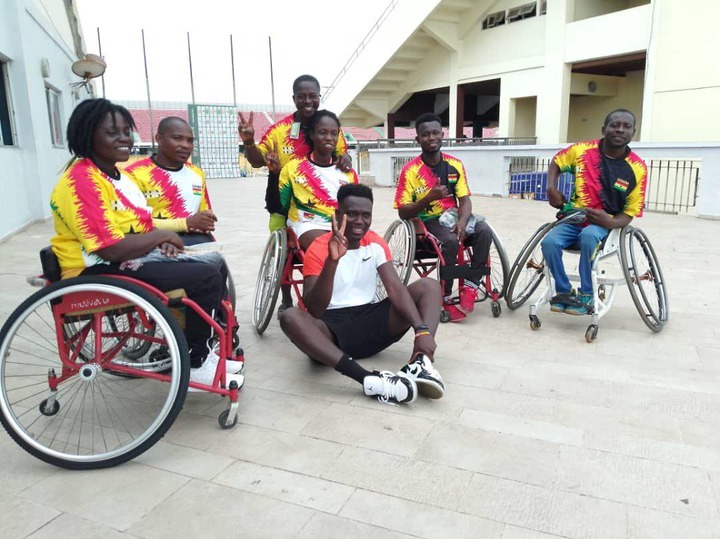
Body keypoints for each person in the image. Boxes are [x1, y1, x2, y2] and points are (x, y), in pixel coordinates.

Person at [49, 98, 243, 390]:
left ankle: (201, 348)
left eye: (127, 131)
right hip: (94, 271)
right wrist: (160, 237)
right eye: (112, 132)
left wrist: (166, 236)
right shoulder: (80, 182)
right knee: (203, 276)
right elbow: (110, 248)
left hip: (119, 261)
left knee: (214, 262)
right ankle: (195, 363)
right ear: (88, 134)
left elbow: (143, 223)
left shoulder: (116, 176)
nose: (124, 138)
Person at [279, 184, 445, 405]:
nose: (359, 221)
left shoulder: (375, 243)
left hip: (370, 323)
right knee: (289, 317)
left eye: (366, 215)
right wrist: (332, 261)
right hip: (330, 336)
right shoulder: (319, 247)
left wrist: (421, 330)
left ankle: (420, 362)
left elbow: (395, 288)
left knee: (429, 286)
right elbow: (315, 309)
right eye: (352, 214)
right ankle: (368, 379)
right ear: (338, 215)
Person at [238, 74, 352, 312]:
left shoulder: (329, 126)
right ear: (294, 99)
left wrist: (347, 158)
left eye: (313, 96)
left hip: (320, 201)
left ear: (319, 97)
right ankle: (287, 298)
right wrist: (249, 143)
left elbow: (342, 155)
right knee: (283, 250)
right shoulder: (280, 130)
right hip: (285, 198)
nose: (308, 101)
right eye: (302, 97)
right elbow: (258, 161)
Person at [541, 109, 647, 315]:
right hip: (574, 218)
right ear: (604, 129)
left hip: (604, 224)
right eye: (615, 125)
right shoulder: (582, 150)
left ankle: (587, 294)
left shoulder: (637, 168)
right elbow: (556, 162)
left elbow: (630, 212)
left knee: (589, 236)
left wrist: (610, 222)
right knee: (549, 242)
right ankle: (564, 291)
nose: (620, 130)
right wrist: (551, 188)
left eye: (626, 127)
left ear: (633, 132)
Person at [393, 113, 493, 322]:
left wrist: (462, 221)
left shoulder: (454, 165)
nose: (431, 138)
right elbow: (403, 211)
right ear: (418, 139)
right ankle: (445, 294)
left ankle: (471, 286)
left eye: (436, 133)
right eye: (426, 134)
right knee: (449, 240)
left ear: (442, 135)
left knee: (484, 231)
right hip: (426, 221)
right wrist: (428, 199)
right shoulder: (410, 171)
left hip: (454, 216)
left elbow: (464, 200)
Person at [125, 116, 217, 246]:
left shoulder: (196, 173)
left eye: (190, 141)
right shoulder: (134, 174)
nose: (185, 145)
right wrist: (185, 224)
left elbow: (205, 212)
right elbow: (131, 221)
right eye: (177, 138)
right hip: (155, 243)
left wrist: (206, 221)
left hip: (195, 240)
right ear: (159, 139)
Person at [278, 110, 358, 252]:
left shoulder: (348, 173)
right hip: (307, 225)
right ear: (312, 135)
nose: (329, 138)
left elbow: (355, 207)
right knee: (329, 249)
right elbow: (283, 206)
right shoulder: (292, 169)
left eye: (334, 133)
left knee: (374, 248)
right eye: (322, 132)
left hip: (341, 227)